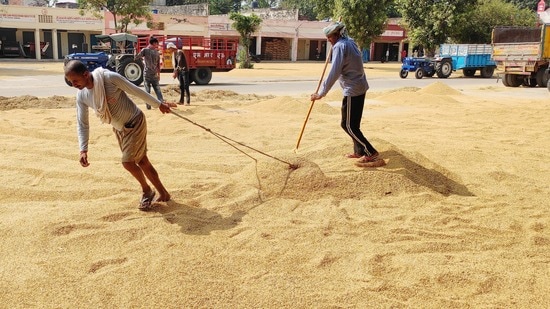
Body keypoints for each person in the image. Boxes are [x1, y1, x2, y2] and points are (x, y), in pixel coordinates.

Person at [64, 60, 172, 210]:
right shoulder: (81, 96)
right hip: (120, 129)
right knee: (142, 161)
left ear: (86, 74)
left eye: (75, 80)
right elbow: (82, 123)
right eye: (70, 82)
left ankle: (147, 191)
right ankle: (164, 193)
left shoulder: (109, 78)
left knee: (127, 162)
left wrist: (158, 104)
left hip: (135, 122)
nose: (74, 85)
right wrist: (83, 149)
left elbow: (135, 90)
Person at [310, 22, 380, 165]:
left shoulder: (340, 46)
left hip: (352, 90)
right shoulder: (350, 42)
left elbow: (334, 71)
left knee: (347, 125)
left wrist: (322, 93)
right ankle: (359, 151)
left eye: (330, 37)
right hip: (360, 86)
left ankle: (370, 152)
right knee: (354, 124)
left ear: (337, 35)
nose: (328, 40)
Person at [135, 36, 163, 110]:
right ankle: (162, 104)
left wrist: (135, 50)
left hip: (146, 74)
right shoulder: (157, 53)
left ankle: (148, 107)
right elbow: (158, 66)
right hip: (154, 74)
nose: (157, 45)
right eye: (157, 44)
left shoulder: (145, 50)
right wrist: (159, 75)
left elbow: (136, 57)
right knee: (158, 90)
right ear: (154, 43)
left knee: (147, 92)